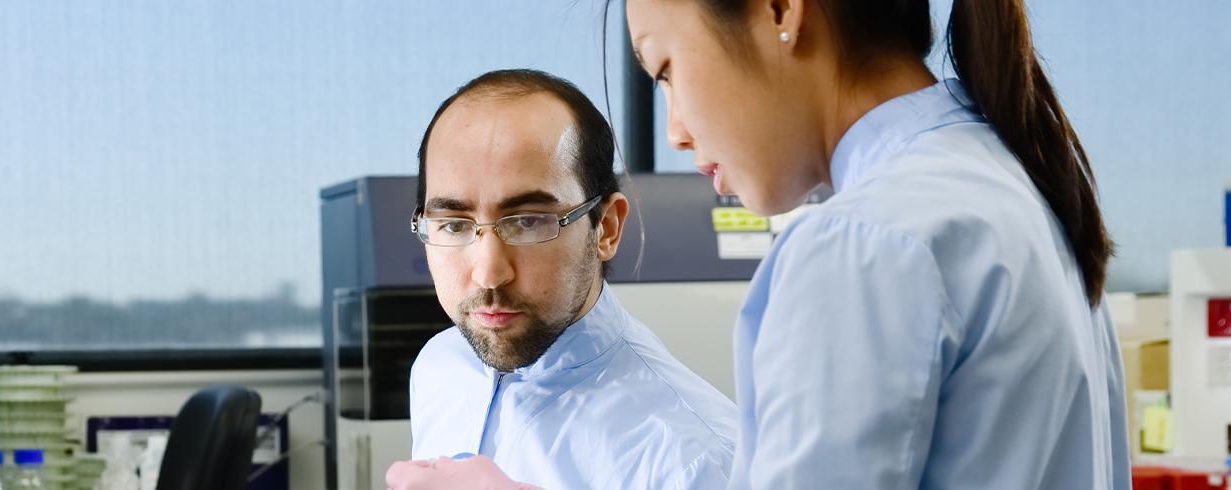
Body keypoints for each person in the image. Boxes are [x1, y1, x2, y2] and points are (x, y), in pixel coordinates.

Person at [390, 0, 1131, 488]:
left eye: (669, 70)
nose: (676, 130)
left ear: (781, 11)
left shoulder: (861, 247)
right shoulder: (1010, 181)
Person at [395, 68, 740, 490]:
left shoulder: (698, 460)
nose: (488, 273)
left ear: (606, 228)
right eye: (453, 224)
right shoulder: (440, 365)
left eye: (528, 222)